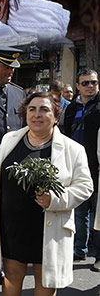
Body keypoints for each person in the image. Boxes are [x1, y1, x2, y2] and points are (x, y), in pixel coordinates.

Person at [0, 89, 93, 295]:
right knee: (12, 277)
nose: (37, 115)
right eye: (31, 109)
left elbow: (85, 186)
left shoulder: (73, 149)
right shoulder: (10, 139)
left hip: (49, 226)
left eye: (44, 110)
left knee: (45, 282)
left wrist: (55, 199)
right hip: (12, 226)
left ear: (56, 116)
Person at [61, 69, 100, 263]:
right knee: (80, 210)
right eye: (85, 83)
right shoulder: (71, 108)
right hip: (75, 165)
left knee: (99, 213)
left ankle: (99, 255)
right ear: (78, 86)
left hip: (97, 166)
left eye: (93, 82)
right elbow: (65, 134)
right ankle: (79, 249)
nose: (90, 86)